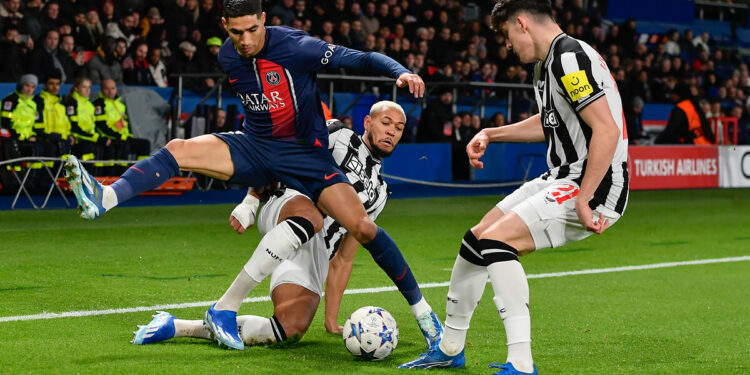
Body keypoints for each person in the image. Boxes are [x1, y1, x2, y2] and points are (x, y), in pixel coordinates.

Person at [64, 0, 440, 354]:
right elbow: (258, 115)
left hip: (304, 158)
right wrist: (249, 200)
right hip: (260, 152)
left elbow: (358, 58)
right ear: (225, 26)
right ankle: (107, 198)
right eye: (236, 32)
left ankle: (178, 326)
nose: (244, 40)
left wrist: (399, 72)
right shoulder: (230, 56)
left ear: (264, 19)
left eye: (252, 30)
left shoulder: (296, 47)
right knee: (180, 149)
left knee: (295, 321)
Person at [400, 1, 629, 374]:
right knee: (475, 241)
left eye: (506, 36)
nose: (507, 46)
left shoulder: (568, 57)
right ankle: (450, 347)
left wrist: (585, 198)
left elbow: (606, 130)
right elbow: (551, 121)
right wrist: (492, 133)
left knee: (497, 242)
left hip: (596, 182)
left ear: (522, 23)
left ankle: (521, 364)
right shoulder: (551, 61)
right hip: (563, 174)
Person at [132, 101, 429, 350]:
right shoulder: (337, 134)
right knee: (312, 214)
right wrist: (250, 200)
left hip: (315, 252)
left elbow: (344, 257)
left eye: (398, 128)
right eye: (386, 123)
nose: (391, 131)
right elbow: (280, 156)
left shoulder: (379, 192)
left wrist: (331, 319)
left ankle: (177, 327)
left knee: (289, 330)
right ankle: (225, 305)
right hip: (289, 202)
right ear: (368, 122)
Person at [92, 79, 151, 174]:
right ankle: (120, 175)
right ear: (102, 90)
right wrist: (119, 136)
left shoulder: (120, 105)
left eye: (113, 88)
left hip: (124, 137)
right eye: (107, 88)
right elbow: (101, 126)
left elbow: (125, 124)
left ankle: (141, 173)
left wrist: (127, 135)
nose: (110, 91)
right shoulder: (99, 104)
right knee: (124, 145)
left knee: (144, 144)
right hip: (111, 138)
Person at [63, 77, 100, 165]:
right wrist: (93, 136)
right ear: (76, 88)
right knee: (89, 148)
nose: (87, 90)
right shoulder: (72, 103)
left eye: (89, 87)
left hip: (89, 137)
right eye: (84, 87)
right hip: (77, 138)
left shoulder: (90, 105)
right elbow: (73, 126)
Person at [38, 71, 73, 157]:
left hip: (62, 141)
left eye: (57, 84)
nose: (55, 87)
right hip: (47, 141)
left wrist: (70, 135)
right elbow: (38, 128)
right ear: (45, 85)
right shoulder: (39, 102)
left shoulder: (60, 105)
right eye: (51, 84)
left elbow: (67, 126)